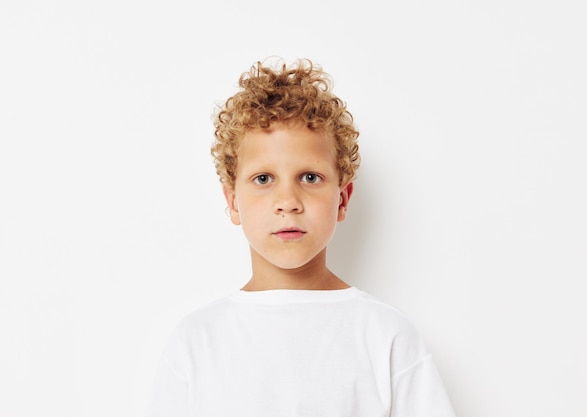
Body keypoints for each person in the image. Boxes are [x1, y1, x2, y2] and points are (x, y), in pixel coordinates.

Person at [144, 58, 457, 416]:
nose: (288, 203)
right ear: (233, 201)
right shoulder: (196, 341)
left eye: (309, 177)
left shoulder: (386, 336)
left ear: (342, 199)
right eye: (263, 179)